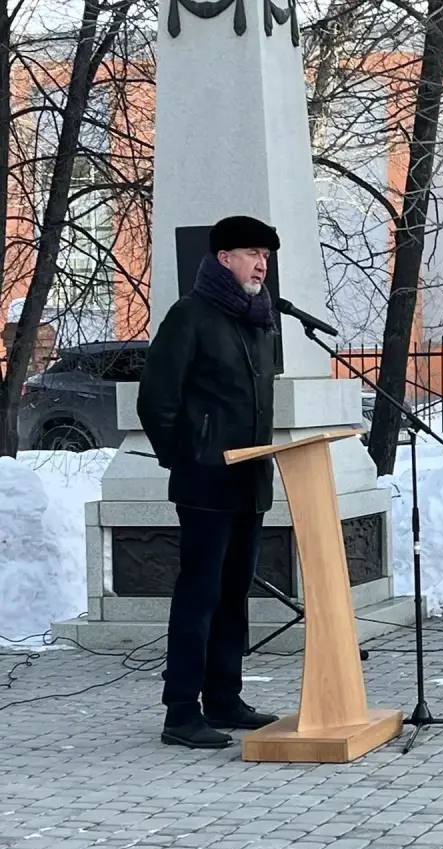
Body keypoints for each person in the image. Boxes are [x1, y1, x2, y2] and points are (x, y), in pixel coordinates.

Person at [138, 215, 282, 749]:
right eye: (251, 252)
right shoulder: (190, 317)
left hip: (249, 480)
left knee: (234, 593)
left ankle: (224, 696)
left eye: (265, 254)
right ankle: (181, 711)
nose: (262, 263)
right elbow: (157, 399)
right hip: (205, 481)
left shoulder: (258, 321)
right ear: (224, 258)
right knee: (199, 594)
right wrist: (187, 457)